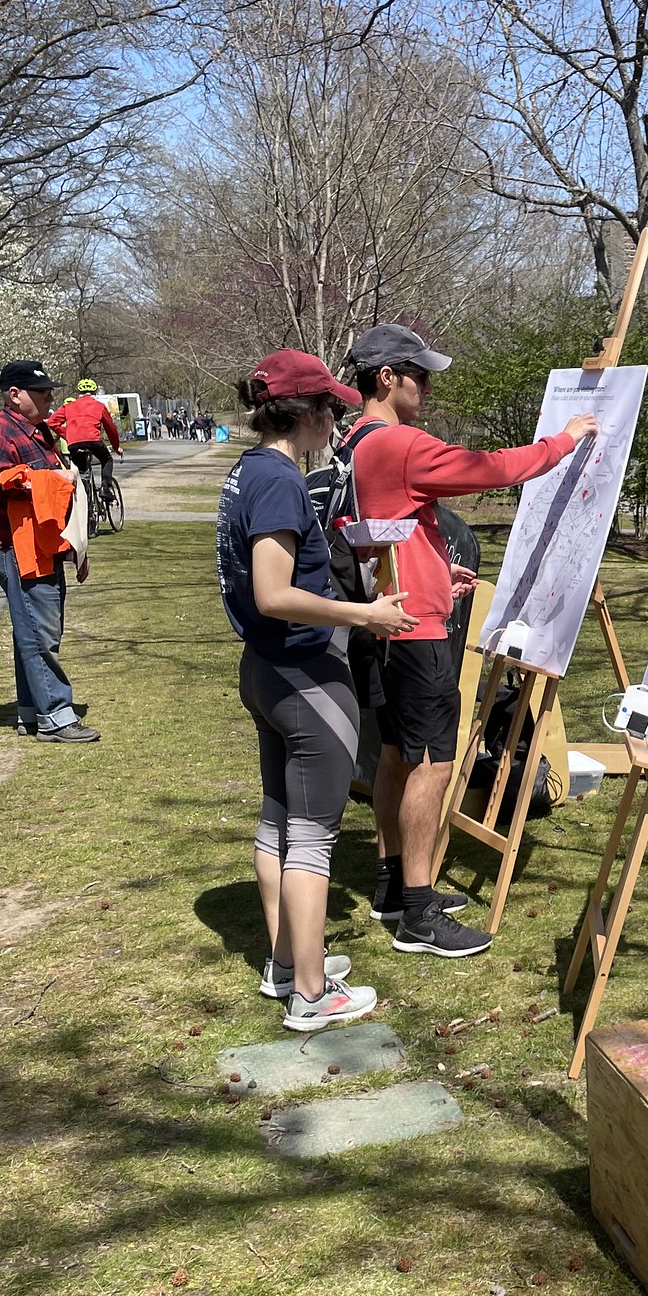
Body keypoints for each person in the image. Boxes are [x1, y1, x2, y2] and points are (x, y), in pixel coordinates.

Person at [344, 322, 598, 957]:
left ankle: (393, 885)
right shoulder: (396, 442)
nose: (427, 387)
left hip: (395, 620)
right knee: (431, 762)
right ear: (387, 379)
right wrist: (562, 441)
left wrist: (434, 566)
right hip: (417, 633)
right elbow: (490, 469)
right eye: (419, 375)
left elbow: (394, 527)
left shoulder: (357, 442)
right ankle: (420, 917)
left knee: (398, 756)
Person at [218, 347, 418, 1030]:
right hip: (301, 676)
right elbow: (275, 593)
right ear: (302, 412)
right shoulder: (276, 481)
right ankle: (310, 992)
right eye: (331, 406)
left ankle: (287, 964)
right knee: (312, 839)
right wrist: (366, 613)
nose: (338, 416)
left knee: (279, 823)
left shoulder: (251, 473)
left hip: (267, 672)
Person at [0, 360, 98, 743]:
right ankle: (56, 716)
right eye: (42, 392)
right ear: (15, 394)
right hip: (16, 546)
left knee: (32, 631)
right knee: (39, 634)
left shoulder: (38, 431)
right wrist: (33, 479)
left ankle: (32, 713)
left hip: (42, 546)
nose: (50, 398)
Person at [50, 380, 120, 503]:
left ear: (79, 393)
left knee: (82, 470)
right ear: (94, 392)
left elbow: (52, 422)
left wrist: (67, 434)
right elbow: (111, 428)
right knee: (107, 459)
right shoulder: (99, 406)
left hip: (74, 443)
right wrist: (116, 446)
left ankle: (84, 493)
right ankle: (105, 488)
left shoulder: (69, 406)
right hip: (94, 441)